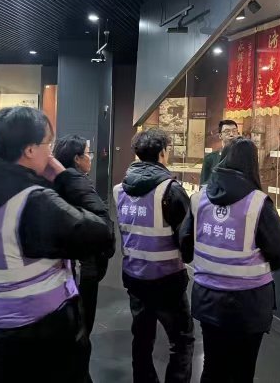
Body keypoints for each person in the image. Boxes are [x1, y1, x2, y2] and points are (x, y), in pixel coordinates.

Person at [0, 106, 113, 382]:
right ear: (30, 150)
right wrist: (67, 178)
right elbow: (102, 234)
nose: (51, 153)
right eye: (48, 144)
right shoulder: (33, 202)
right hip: (43, 344)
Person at [179, 137, 280, 383]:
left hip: (208, 297)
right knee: (243, 370)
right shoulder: (257, 202)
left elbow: (185, 244)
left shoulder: (200, 199)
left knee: (212, 366)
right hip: (248, 304)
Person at [114, 129, 194, 383]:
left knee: (142, 338)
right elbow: (186, 238)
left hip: (134, 276)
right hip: (167, 278)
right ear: (162, 153)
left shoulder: (120, 190)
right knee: (181, 341)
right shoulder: (171, 190)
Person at [52, 135, 115, 336]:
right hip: (84, 261)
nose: (90, 158)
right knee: (83, 318)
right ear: (77, 158)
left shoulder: (55, 178)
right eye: (88, 154)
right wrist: (106, 249)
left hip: (65, 261)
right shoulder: (75, 180)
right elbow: (101, 219)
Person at [199, 120, 239, 185]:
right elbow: (203, 184)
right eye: (227, 131)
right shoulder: (210, 158)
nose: (231, 134)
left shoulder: (244, 157)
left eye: (234, 131)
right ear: (220, 135)